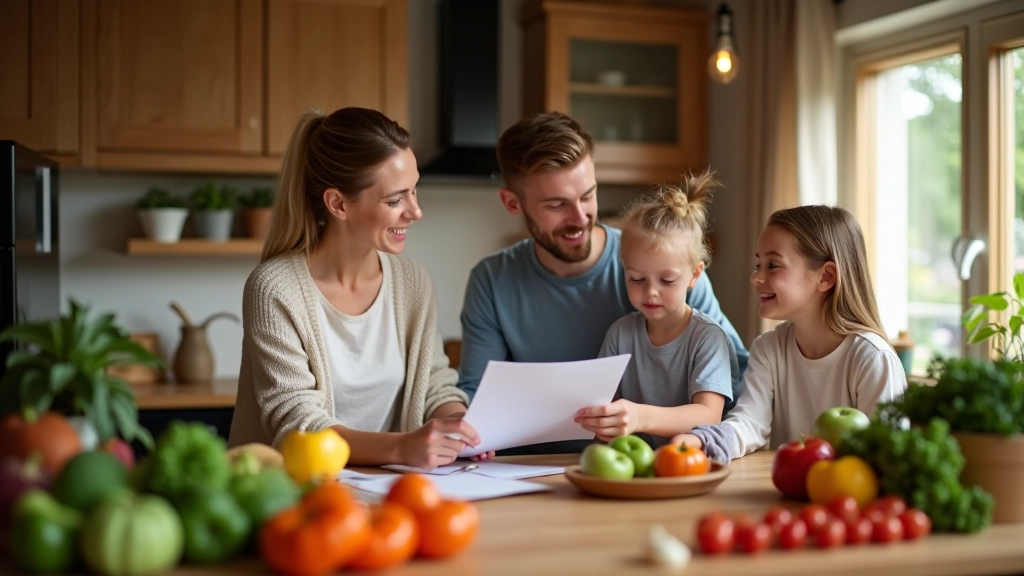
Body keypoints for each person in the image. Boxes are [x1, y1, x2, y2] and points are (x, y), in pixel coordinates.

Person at [457, 111, 748, 454]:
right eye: (556, 205)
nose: (579, 218)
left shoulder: (657, 258)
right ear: (512, 203)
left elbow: (738, 380)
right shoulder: (492, 280)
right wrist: (464, 430)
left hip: (634, 464)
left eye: (587, 195)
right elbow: (476, 396)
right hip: (526, 468)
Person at [228, 107, 493, 469]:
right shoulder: (275, 288)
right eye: (395, 200)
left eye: (414, 191)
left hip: (390, 492)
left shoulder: (412, 282)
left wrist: (460, 428)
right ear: (338, 203)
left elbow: (434, 384)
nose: (415, 212)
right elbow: (297, 425)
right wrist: (402, 448)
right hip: (294, 496)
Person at [672, 205, 908, 462]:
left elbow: (890, 455)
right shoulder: (768, 348)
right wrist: (703, 440)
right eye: (758, 263)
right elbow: (749, 423)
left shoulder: (872, 358)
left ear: (826, 276)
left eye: (773, 265)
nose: (755, 277)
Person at [574, 171, 741, 449]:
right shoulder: (620, 334)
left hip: (690, 465)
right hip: (633, 465)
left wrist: (640, 417)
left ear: (694, 275)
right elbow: (605, 406)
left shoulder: (709, 338)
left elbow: (709, 414)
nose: (650, 291)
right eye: (637, 278)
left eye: (667, 280)